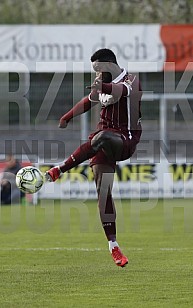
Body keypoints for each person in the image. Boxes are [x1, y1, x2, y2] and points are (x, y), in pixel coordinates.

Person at [45, 48, 142, 268]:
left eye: (99, 70)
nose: (96, 75)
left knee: (102, 136)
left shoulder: (131, 80)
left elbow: (119, 92)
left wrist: (103, 86)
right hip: (101, 139)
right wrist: (67, 117)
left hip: (124, 140)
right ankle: (114, 246)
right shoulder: (102, 83)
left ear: (109, 66)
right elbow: (89, 101)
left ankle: (60, 169)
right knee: (103, 191)